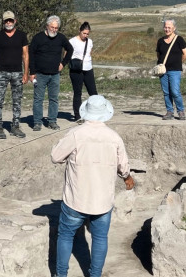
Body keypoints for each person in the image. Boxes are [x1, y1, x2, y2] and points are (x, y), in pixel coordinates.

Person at [51, 95, 135, 277]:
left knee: (65, 236)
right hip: (103, 201)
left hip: (76, 199)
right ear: (105, 113)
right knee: (99, 238)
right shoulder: (114, 137)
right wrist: (128, 178)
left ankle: (60, 274)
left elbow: (55, 156)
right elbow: (124, 168)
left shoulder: (75, 134)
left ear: (86, 112)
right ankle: (95, 274)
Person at [0, 10, 29, 139]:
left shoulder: (22, 36)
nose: (8, 22)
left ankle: (15, 126)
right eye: (6, 20)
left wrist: (26, 72)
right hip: (1, 72)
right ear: (3, 22)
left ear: (15, 21)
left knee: (17, 100)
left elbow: (25, 55)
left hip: (17, 72)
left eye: (10, 20)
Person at [29, 15, 73, 131]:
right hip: (40, 74)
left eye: (56, 28)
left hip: (54, 74)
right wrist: (32, 72)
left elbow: (70, 49)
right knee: (38, 99)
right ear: (47, 26)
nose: (54, 30)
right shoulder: (38, 38)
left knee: (54, 99)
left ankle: (52, 121)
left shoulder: (61, 38)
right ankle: (37, 122)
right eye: (52, 27)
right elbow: (31, 55)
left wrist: (63, 63)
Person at [156, 19, 186, 120]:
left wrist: (178, 62)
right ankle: (169, 111)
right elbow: (158, 55)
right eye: (165, 27)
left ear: (174, 28)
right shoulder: (160, 41)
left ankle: (181, 111)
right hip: (163, 71)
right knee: (166, 92)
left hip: (175, 70)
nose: (167, 29)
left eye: (169, 27)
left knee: (175, 91)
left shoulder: (179, 40)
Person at [68, 22, 97, 123]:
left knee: (93, 93)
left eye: (87, 34)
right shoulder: (72, 41)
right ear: (80, 31)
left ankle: (95, 114)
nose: (86, 35)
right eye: (84, 33)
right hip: (76, 70)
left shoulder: (90, 42)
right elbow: (67, 55)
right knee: (78, 93)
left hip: (88, 69)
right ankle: (78, 116)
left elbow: (90, 53)